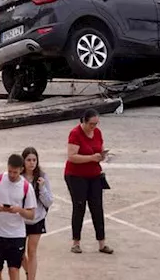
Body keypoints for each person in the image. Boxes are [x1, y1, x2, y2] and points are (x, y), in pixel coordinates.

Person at [0, 154, 37, 280]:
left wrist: (19, 210)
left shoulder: (26, 187)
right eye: (10, 171)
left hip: (16, 235)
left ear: (21, 170)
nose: (12, 175)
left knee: (14, 270)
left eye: (15, 172)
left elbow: (31, 215)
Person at [65, 109, 112, 255]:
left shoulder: (97, 133)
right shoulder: (75, 133)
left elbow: (100, 149)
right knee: (79, 206)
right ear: (84, 122)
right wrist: (91, 158)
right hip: (76, 175)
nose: (94, 127)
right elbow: (72, 156)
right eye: (91, 124)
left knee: (97, 207)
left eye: (96, 124)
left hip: (94, 174)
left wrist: (101, 156)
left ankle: (102, 243)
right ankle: (76, 242)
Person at [20, 147, 53, 280]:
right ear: (23, 161)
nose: (32, 163)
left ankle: (31, 278)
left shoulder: (42, 176)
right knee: (19, 252)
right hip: (20, 220)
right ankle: (29, 272)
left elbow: (49, 201)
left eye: (34, 160)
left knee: (32, 251)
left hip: (37, 218)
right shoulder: (19, 177)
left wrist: (42, 188)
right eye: (28, 160)